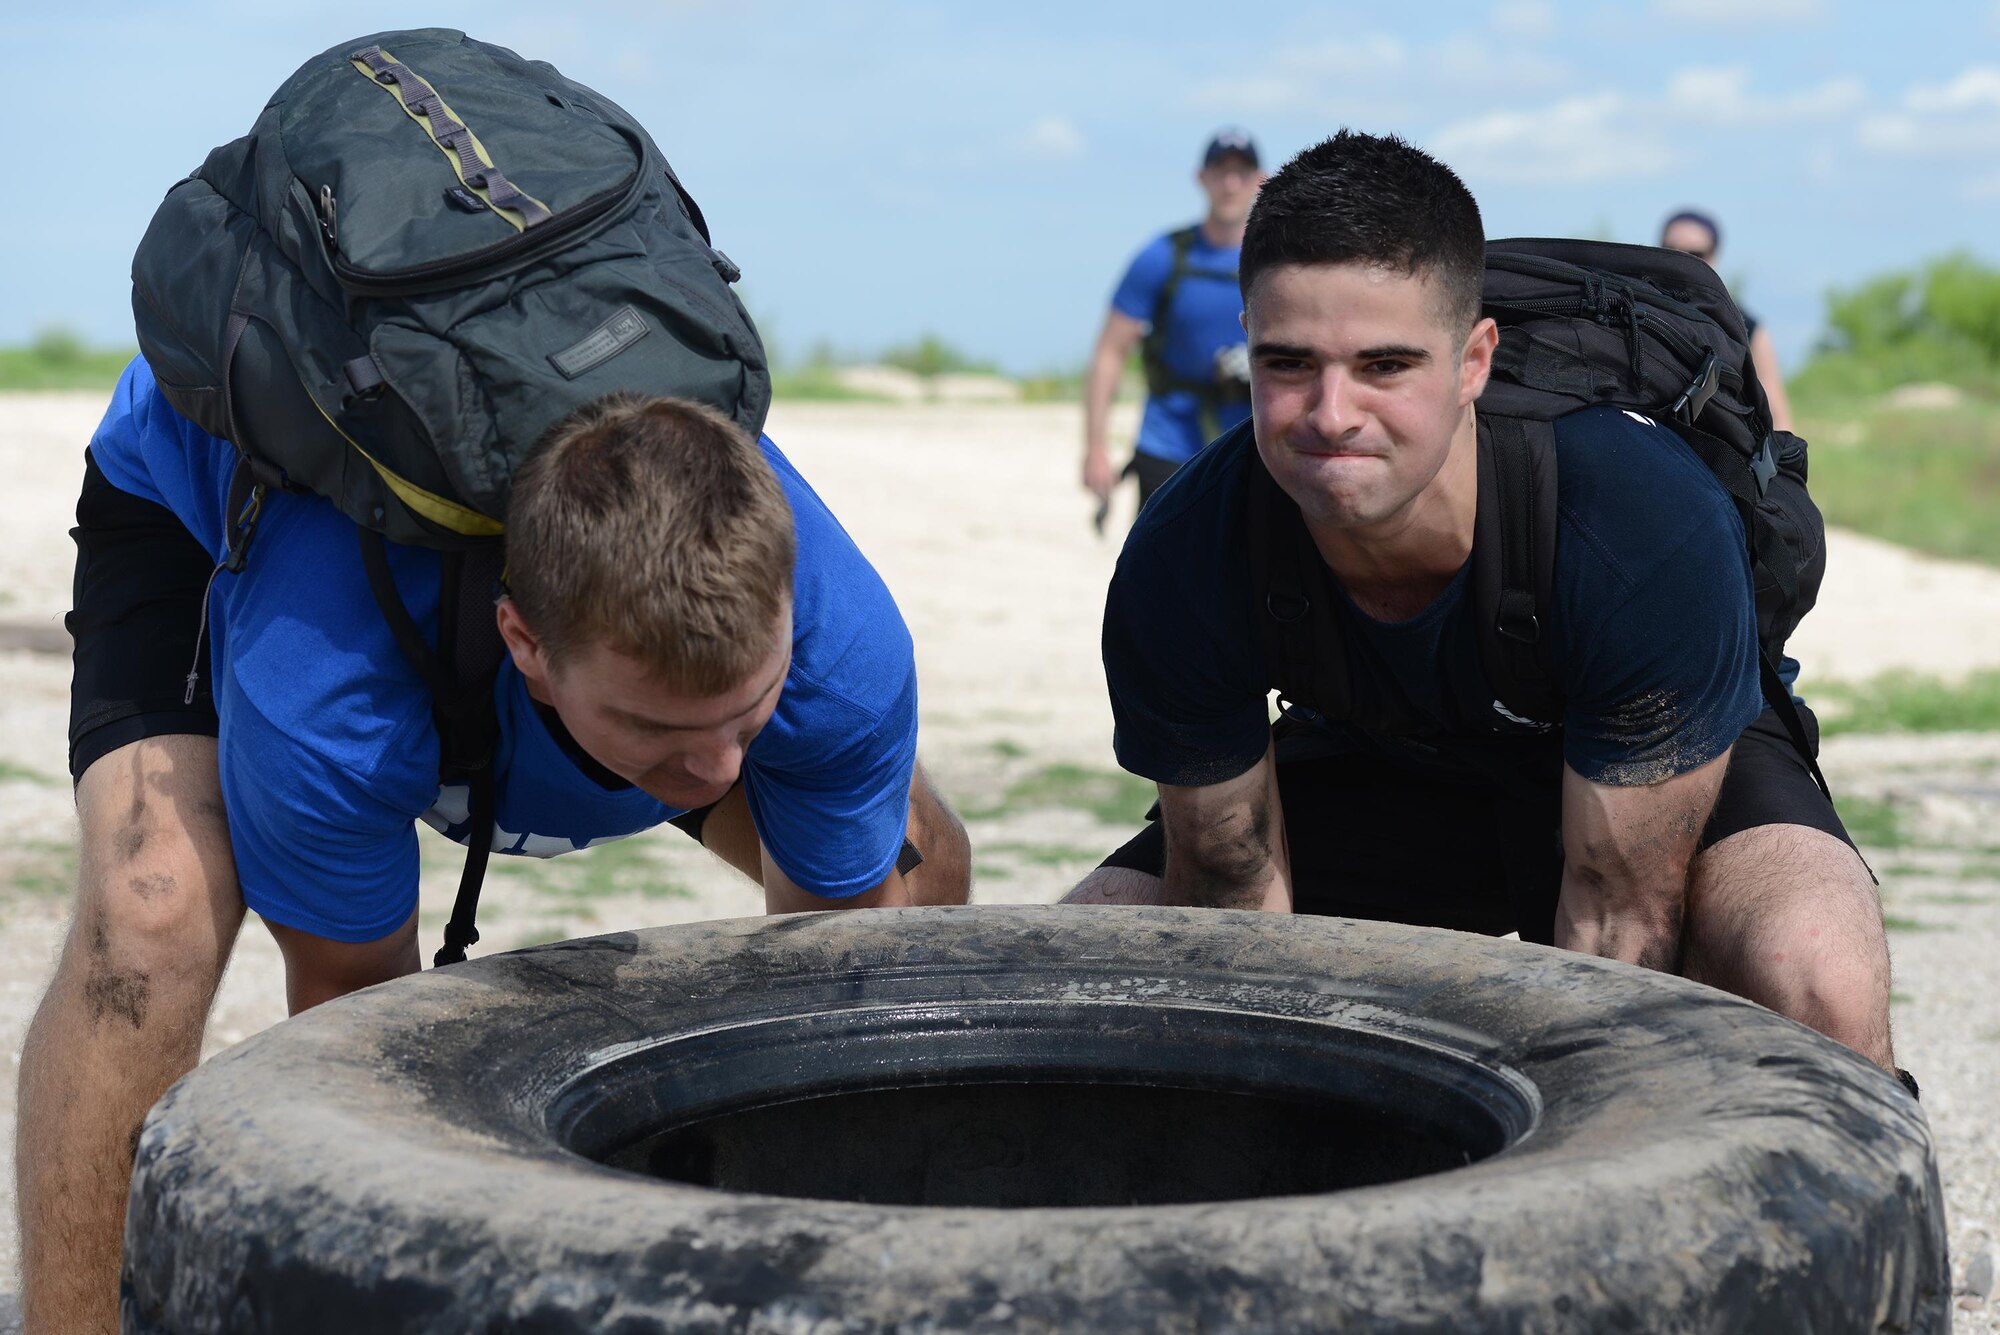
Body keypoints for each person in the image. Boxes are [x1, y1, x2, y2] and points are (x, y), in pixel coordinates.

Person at [15, 369, 970, 1331]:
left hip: (562, 641)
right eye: (663, 731)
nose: (723, 770)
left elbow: (821, 1007)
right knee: (151, 910)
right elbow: (358, 1031)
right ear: (529, 649)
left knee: (914, 855)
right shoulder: (323, 700)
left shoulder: (842, 657)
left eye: (749, 714)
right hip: (224, 492)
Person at [1067, 131, 1897, 1084]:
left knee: (1816, 976)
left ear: (1473, 361)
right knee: (1084, 962)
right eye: (1289, 364)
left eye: (1385, 366)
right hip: (1379, 755)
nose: (1332, 413)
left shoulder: (1635, 520)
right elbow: (1229, 892)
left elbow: (1620, 918)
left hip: (1649, 777)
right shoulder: (1187, 549)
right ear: (1245, 348)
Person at [1082, 130, 1266, 516]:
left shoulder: (1279, 261)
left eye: (1241, 172)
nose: (1231, 184)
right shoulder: (1161, 257)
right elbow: (1110, 353)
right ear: (1202, 178)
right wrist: (1095, 448)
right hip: (1167, 444)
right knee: (1158, 571)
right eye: (1220, 172)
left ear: (1260, 179)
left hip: (1256, 445)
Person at [1660, 209, 1794, 432]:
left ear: (1715, 256)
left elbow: (1777, 417)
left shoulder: (1746, 327)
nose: (1682, 261)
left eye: (1696, 254)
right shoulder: (1638, 314)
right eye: (1670, 251)